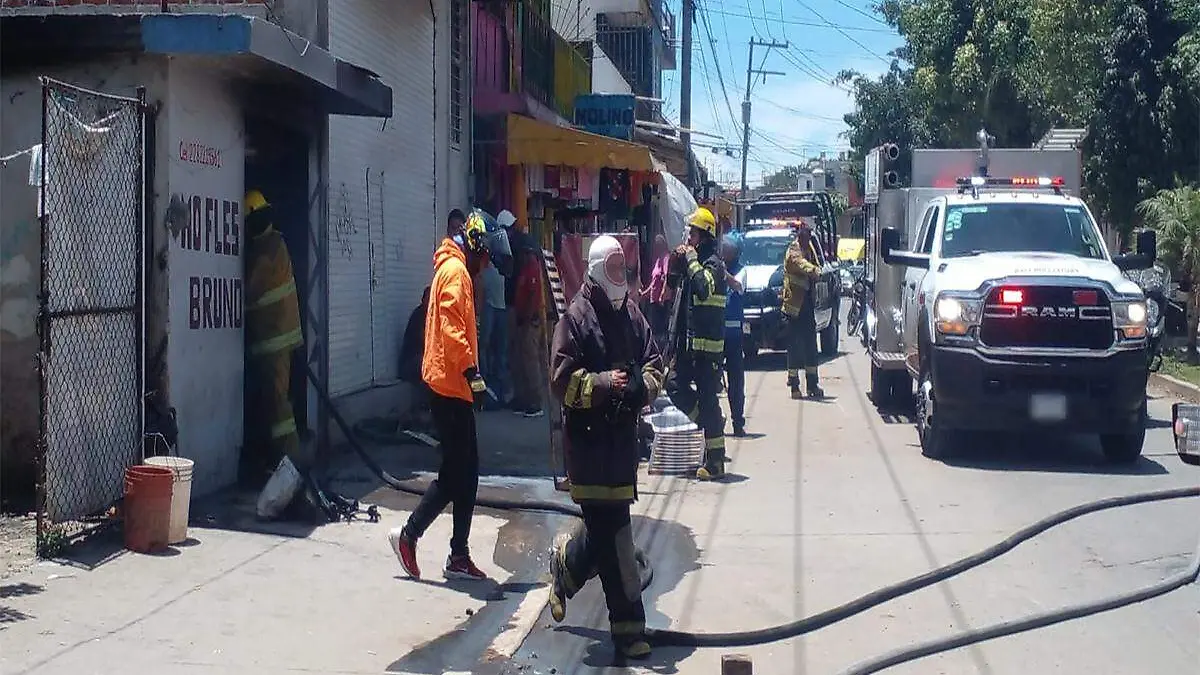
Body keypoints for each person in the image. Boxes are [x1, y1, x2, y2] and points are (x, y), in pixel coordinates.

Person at [547, 235, 664, 661]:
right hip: (590, 448)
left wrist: (642, 387)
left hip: (621, 449)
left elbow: (654, 362)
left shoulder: (632, 315)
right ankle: (630, 629)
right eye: (614, 268)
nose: (621, 276)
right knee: (615, 535)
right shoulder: (574, 320)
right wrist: (602, 384)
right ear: (596, 270)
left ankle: (566, 566)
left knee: (604, 533)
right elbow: (561, 383)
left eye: (624, 268)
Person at [388, 209, 490, 581]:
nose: (487, 263)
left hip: (453, 385)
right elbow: (450, 327)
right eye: (486, 255)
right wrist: (471, 372)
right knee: (455, 473)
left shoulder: (454, 269)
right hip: (449, 385)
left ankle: (459, 554)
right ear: (475, 246)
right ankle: (409, 535)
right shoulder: (456, 273)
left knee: (468, 471)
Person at [243, 189, 303, 481]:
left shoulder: (266, 249)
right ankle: (281, 461)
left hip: (274, 340)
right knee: (273, 403)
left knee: (279, 408)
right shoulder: (272, 242)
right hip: (275, 339)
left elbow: (249, 292)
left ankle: (291, 465)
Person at [666, 207, 728, 480]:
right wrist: (673, 262)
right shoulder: (692, 264)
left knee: (707, 399)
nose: (689, 237)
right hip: (687, 346)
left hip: (706, 350)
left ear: (704, 236)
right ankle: (710, 423)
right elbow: (672, 287)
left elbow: (703, 288)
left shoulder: (714, 264)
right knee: (674, 385)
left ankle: (716, 463)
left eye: (693, 232)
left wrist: (690, 258)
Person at [781, 221, 825, 399]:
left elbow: (817, 263)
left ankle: (813, 384)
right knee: (794, 346)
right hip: (793, 307)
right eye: (806, 237)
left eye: (809, 237)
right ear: (800, 236)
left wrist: (818, 269)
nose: (808, 240)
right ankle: (794, 386)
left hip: (807, 305)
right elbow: (800, 264)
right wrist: (814, 270)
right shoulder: (794, 249)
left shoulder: (810, 248)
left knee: (811, 345)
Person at [510, 246, 547, 418]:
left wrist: (528, 317)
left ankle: (536, 401)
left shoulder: (532, 267)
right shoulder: (526, 267)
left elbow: (533, 296)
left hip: (530, 321)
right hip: (524, 319)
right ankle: (525, 398)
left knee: (531, 362)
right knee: (522, 361)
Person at [720, 234, 748, 436]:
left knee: (735, 380)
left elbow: (737, 286)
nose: (724, 252)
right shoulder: (716, 268)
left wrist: (722, 273)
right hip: (715, 333)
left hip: (734, 334)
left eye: (728, 249)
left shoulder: (742, 271)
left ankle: (738, 421)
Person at [398, 286, 433, 428]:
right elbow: (426, 340)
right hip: (410, 363)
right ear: (423, 299)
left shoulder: (432, 315)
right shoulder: (419, 315)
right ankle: (424, 410)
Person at [476, 253, 509, 405]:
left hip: (489, 312)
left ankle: (485, 383)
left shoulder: (482, 276)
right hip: (502, 312)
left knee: (484, 348)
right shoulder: (502, 275)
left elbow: (480, 299)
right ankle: (500, 391)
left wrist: (477, 317)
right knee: (501, 352)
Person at [641, 233, 673, 345]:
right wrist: (644, 294)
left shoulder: (666, 258)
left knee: (659, 331)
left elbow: (666, 276)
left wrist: (663, 294)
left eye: (658, 245)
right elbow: (654, 283)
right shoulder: (658, 260)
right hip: (653, 301)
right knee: (653, 328)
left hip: (661, 302)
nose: (655, 247)